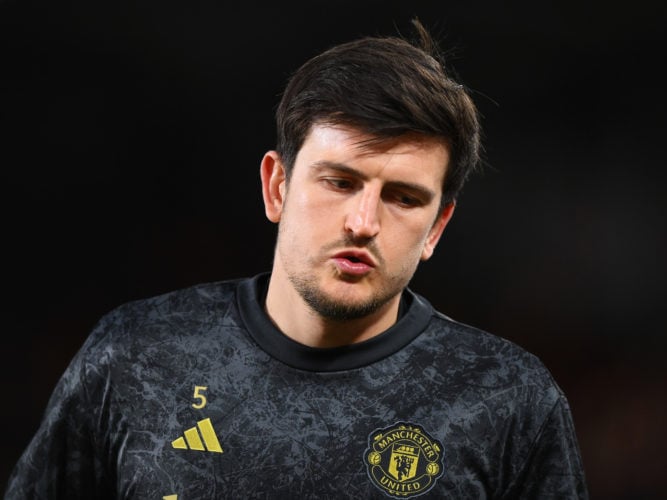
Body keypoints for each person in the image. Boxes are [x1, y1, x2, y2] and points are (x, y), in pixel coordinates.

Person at [5, 19, 588, 499]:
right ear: (276, 186)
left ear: (437, 227)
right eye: (339, 182)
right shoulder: (137, 353)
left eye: (403, 198)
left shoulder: (507, 398)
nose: (364, 222)